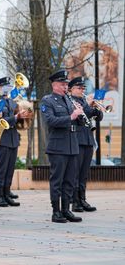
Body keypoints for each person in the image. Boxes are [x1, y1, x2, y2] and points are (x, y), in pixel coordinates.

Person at [40, 69, 83, 223]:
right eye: (62, 84)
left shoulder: (69, 100)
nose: (65, 87)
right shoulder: (48, 101)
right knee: (57, 181)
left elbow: (77, 122)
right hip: (58, 147)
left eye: (66, 84)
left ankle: (66, 210)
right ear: (54, 85)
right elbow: (51, 121)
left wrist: (80, 115)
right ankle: (56, 211)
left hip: (72, 145)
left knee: (70, 181)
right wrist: (71, 116)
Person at [0, 77, 28, 208]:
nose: (7, 88)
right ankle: (0, 197)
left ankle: (7, 194)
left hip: (13, 139)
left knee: (10, 169)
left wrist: (22, 115)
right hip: (2, 140)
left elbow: (15, 119)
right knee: (1, 170)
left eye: (8, 86)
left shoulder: (11, 101)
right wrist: (16, 117)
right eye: (4, 86)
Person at [68, 77, 102, 213]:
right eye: (79, 88)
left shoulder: (84, 102)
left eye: (83, 88)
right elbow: (77, 117)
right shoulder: (70, 101)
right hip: (77, 140)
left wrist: (97, 108)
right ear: (71, 89)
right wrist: (88, 107)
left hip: (88, 140)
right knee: (75, 173)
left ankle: (82, 199)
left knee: (84, 173)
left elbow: (98, 118)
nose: (82, 90)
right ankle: (75, 201)